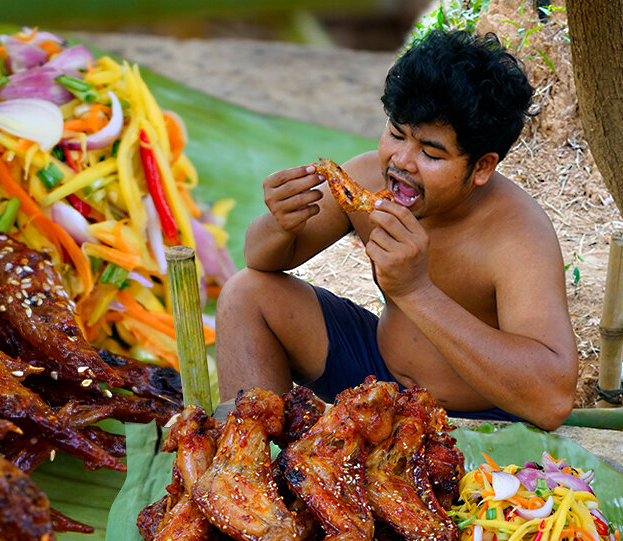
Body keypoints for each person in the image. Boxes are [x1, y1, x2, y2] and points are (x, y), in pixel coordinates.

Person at [213, 29, 577, 430]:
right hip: (374, 376)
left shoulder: (518, 235)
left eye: (431, 152)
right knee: (246, 293)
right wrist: (278, 224)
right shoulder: (369, 175)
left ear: (482, 167)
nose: (401, 161)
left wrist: (415, 290)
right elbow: (259, 259)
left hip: (478, 417)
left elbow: (552, 399)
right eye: (396, 133)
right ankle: (248, 472)